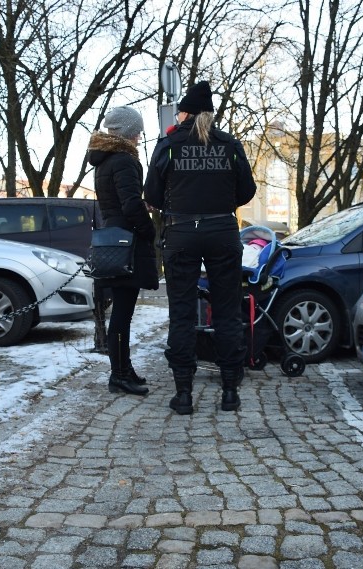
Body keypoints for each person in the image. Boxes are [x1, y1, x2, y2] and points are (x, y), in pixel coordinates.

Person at [144, 80, 257, 415]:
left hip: (181, 232)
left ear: (187, 112)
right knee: (227, 310)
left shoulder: (169, 144)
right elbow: (246, 191)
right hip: (222, 230)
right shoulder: (229, 144)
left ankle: (183, 394)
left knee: (181, 312)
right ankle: (229, 392)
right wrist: (221, 206)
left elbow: (151, 194)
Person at [87, 106, 159, 396]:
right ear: (129, 132)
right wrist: (149, 229)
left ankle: (124, 369)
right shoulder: (125, 161)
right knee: (123, 313)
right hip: (126, 242)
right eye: (138, 131)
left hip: (113, 239)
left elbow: (118, 203)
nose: (140, 136)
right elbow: (129, 206)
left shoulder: (104, 160)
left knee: (122, 312)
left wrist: (138, 206)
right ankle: (119, 374)